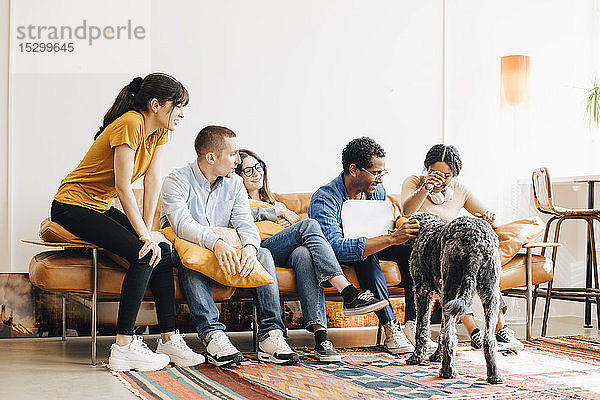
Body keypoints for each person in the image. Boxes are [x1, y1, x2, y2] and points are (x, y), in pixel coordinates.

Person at [51, 73, 205, 372]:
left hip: (98, 205)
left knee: (162, 253)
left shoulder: (159, 132)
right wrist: (144, 237)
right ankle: (124, 345)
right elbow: (123, 186)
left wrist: (150, 233)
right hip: (71, 204)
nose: (183, 113)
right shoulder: (130, 123)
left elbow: (152, 181)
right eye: (179, 105)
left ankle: (168, 338)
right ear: (156, 105)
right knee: (143, 254)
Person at [160, 126, 299, 367]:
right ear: (211, 157)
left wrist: (249, 249)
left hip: (228, 249)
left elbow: (245, 223)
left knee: (263, 253)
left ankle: (271, 335)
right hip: (189, 250)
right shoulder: (177, 180)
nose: (237, 161)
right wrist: (215, 243)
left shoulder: (234, 184)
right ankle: (213, 336)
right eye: (233, 154)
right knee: (190, 260)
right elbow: (182, 225)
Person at [235, 149, 389, 362]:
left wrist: (289, 220)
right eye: (247, 170)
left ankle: (321, 337)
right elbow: (236, 218)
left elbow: (298, 232)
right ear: (236, 175)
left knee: (304, 254)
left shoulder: (273, 201)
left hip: (285, 249)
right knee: (310, 224)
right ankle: (347, 291)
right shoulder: (236, 198)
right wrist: (279, 214)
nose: (256, 173)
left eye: (258, 167)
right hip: (261, 249)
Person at [308, 137, 436, 355]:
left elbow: (381, 227)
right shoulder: (325, 198)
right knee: (366, 255)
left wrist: (398, 234)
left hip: (375, 242)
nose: (380, 179)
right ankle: (390, 328)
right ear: (354, 169)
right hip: (342, 254)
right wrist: (387, 240)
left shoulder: (376, 191)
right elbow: (334, 247)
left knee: (414, 252)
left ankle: (414, 325)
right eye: (375, 173)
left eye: (383, 173)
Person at [401, 143, 523, 351]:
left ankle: (498, 328)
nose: (440, 179)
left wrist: (489, 217)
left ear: (454, 175)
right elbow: (406, 211)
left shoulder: (461, 191)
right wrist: (426, 187)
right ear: (426, 169)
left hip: (449, 247)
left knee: (474, 264)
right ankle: (474, 331)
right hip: (422, 247)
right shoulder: (414, 182)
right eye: (433, 172)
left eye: (446, 176)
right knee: (454, 270)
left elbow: (487, 215)